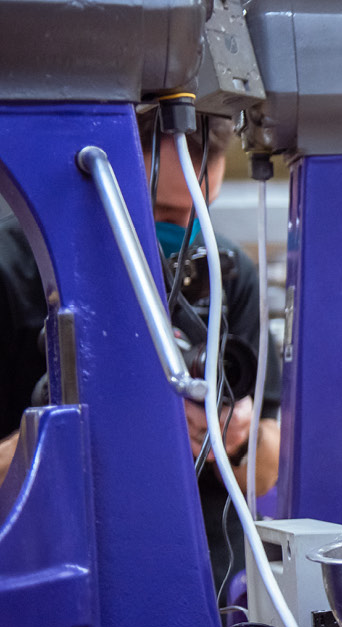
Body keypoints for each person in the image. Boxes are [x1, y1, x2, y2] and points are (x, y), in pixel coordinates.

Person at [0, 111, 280, 595]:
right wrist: (79, 424)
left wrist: (231, 437)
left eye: (201, 212)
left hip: (206, 588)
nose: (187, 237)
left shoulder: (226, 272)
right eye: (167, 216)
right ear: (101, 182)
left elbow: (267, 468)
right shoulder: (14, 272)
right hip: (60, 585)